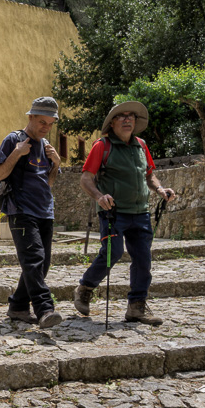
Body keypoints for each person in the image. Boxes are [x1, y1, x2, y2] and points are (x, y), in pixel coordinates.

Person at [74, 101, 175, 325]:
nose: (128, 119)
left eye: (131, 116)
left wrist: (160, 189)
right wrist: (99, 196)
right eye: (122, 116)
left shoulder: (141, 145)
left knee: (143, 259)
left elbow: (149, 176)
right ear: (112, 123)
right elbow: (85, 178)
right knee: (113, 252)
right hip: (113, 213)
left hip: (141, 212)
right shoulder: (102, 146)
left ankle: (137, 307)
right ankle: (85, 288)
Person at [0, 96, 64, 327]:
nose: (46, 128)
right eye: (42, 122)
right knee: (33, 260)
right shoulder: (14, 140)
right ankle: (44, 308)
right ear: (30, 117)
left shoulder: (46, 147)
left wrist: (56, 164)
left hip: (45, 210)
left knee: (43, 264)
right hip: (20, 209)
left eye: (51, 124)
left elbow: (48, 183)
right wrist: (17, 153)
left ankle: (18, 307)